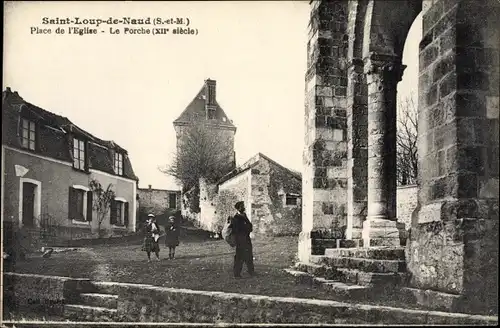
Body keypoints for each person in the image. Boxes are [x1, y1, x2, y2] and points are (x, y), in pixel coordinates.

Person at [231, 201, 255, 278]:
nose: (244, 208)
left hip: (246, 239)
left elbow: (250, 227)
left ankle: (251, 271)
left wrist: (246, 228)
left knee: (249, 256)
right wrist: (246, 228)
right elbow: (237, 230)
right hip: (240, 240)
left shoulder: (244, 216)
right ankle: (237, 274)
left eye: (243, 206)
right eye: (242, 206)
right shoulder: (236, 218)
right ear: (238, 208)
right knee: (239, 257)